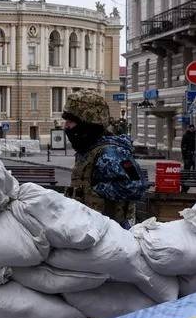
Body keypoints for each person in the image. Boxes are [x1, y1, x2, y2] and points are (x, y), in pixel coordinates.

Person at [62, 89, 148, 229]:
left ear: (87, 123)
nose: (66, 126)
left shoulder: (112, 152)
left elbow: (136, 185)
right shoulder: (88, 151)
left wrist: (96, 191)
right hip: (90, 228)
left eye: (71, 121)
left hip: (111, 231)